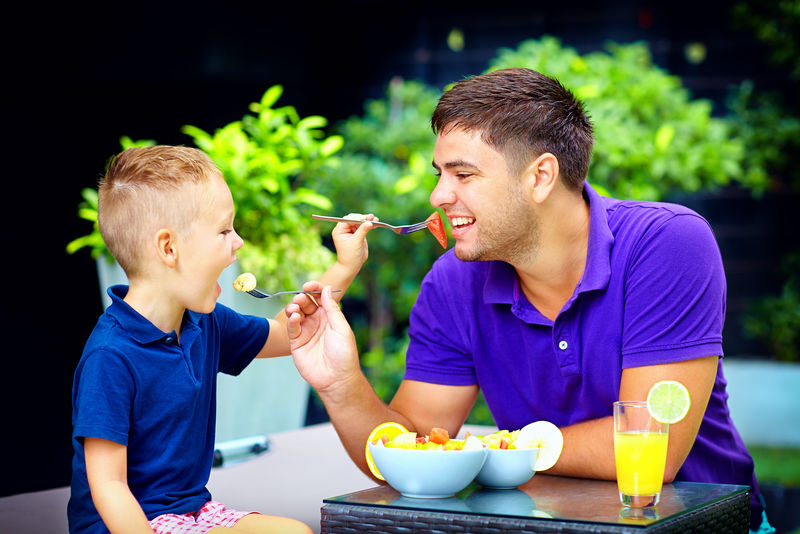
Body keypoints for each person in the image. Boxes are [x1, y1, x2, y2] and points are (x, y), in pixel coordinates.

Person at [284, 68, 774, 533]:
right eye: (439, 174)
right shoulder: (453, 281)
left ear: (540, 176)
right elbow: (411, 456)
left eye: (463, 175)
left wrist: (494, 450)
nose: (438, 196)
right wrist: (340, 384)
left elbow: (649, 445)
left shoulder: (666, 243)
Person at [67, 145, 374, 534]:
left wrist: (345, 264)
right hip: (128, 522)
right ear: (168, 248)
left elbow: (284, 333)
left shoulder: (202, 322)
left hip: (193, 510)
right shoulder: (110, 356)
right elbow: (108, 485)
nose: (238, 242)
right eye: (224, 230)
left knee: (295, 532)